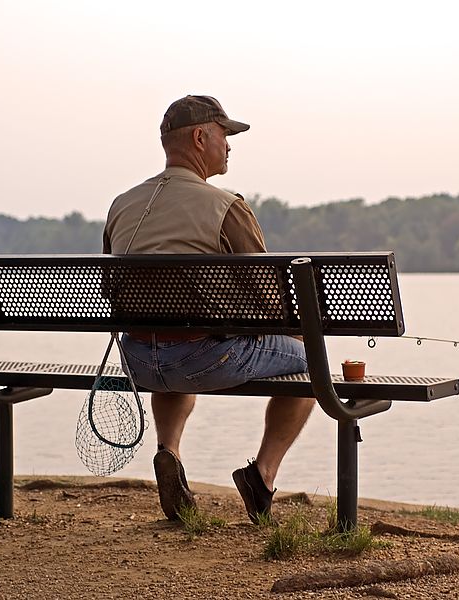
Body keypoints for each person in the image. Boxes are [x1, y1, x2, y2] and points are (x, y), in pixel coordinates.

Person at [103, 95, 315, 524]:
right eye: (225, 135)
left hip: (139, 360)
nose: (230, 145)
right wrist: (296, 335)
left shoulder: (122, 204)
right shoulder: (225, 206)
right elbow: (271, 300)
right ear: (201, 138)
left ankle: (169, 452)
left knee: (169, 334)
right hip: (203, 359)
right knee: (312, 363)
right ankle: (263, 474)